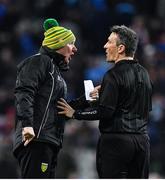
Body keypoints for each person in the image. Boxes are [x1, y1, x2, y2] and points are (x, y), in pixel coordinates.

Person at [57, 25, 153, 178]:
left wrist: (75, 114)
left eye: (109, 42)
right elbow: (145, 108)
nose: (105, 46)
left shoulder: (112, 75)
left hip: (116, 143)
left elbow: (105, 112)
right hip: (142, 142)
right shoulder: (145, 74)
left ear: (121, 48)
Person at [13, 18, 77, 178]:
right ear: (59, 44)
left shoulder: (56, 72)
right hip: (35, 139)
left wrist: (87, 100)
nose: (74, 49)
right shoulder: (39, 61)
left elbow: (60, 110)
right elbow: (24, 92)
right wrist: (27, 125)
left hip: (49, 142)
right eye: (71, 43)